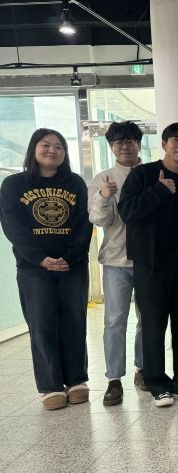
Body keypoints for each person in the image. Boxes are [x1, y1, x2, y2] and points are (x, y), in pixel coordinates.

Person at [118, 122, 178, 407]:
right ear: (163, 144)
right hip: (150, 263)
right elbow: (127, 212)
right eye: (175, 140)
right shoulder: (143, 174)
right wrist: (159, 190)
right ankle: (157, 385)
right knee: (153, 324)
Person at [0, 128, 92, 410]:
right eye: (46, 145)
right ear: (33, 149)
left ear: (65, 153)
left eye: (59, 146)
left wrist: (71, 257)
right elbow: (13, 226)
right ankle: (50, 386)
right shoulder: (13, 185)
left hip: (73, 266)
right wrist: (40, 258)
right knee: (41, 324)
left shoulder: (76, 183)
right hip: (33, 268)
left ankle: (76, 380)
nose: (52, 150)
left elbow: (84, 223)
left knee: (74, 321)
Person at [88, 121, 147, 407]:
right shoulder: (103, 178)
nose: (124, 146)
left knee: (148, 318)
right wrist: (103, 197)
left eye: (129, 141)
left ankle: (143, 369)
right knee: (114, 321)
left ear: (138, 144)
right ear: (111, 147)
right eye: (118, 142)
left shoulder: (152, 173)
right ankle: (113, 379)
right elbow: (98, 220)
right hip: (115, 260)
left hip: (148, 260)